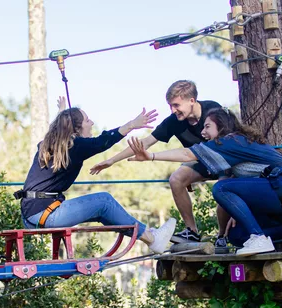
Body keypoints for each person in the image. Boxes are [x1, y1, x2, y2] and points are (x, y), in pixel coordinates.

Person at [127, 107, 282, 256]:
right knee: (236, 235)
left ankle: (258, 237)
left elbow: (188, 154)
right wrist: (235, 219)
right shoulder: (231, 155)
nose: (203, 132)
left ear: (222, 126)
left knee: (221, 188)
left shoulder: (231, 141)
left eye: (207, 126)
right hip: (279, 198)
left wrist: (151, 156)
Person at [16, 102, 176, 255]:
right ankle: (152, 239)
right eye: (87, 120)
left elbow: (57, 132)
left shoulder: (49, 145)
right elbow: (102, 142)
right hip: (45, 214)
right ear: (75, 128)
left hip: (32, 213)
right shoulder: (74, 146)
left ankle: (148, 234)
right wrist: (131, 125)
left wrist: (62, 114)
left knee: (104, 211)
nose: (91, 123)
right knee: (104, 201)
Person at [90, 80, 222, 244]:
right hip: (198, 161)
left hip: (223, 161)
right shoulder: (174, 120)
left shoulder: (214, 111)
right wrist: (111, 161)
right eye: (170, 106)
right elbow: (145, 143)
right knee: (176, 179)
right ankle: (192, 232)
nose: (173, 110)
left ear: (192, 101)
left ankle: (223, 236)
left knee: (223, 187)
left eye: (176, 105)